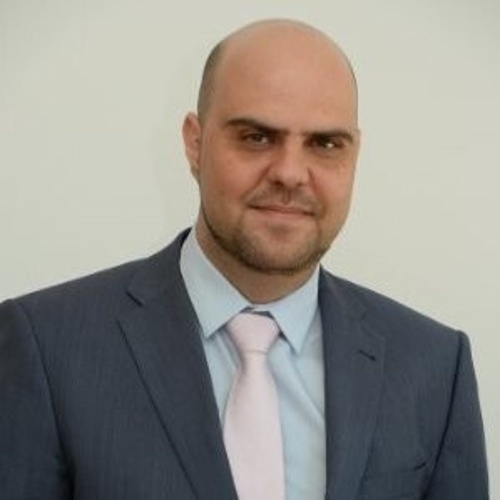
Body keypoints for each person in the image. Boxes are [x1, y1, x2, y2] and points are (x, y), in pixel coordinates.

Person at [0, 18, 488, 500]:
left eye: (324, 144)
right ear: (195, 143)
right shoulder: (46, 348)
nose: (290, 173)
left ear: (354, 154)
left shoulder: (434, 367)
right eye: (257, 137)